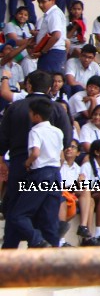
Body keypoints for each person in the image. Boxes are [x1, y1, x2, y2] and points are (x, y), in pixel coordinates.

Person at [0, 71, 73, 249]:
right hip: (51, 169)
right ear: (50, 88)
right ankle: (48, 265)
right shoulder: (57, 108)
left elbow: (2, 141)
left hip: (20, 165)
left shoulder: (15, 107)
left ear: (28, 85)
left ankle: (10, 261)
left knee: (16, 214)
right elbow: (67, 141)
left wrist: (3, 161)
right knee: (48, 218)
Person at [14, 99, 64, 248]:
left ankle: (37, 239)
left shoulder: (35, 131)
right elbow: (61, 157)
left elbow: (35, 153)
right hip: (55, 173)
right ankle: (54, 255)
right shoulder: (57, 131)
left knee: (18, 215)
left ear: (36, 116)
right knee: (50, 219)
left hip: (40, 174)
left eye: (30, 112)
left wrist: (27, 163)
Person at [33, 0, 68, 75]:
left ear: (52, 0)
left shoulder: (54, 14)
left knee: (46, 81)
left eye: (43, 2)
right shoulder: (53, 13)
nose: (41, 5)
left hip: (52, 53)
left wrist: (43, 51)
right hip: (52, 52)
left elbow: (56, 35)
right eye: (39, 2)